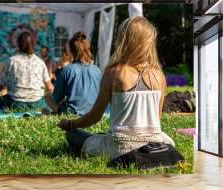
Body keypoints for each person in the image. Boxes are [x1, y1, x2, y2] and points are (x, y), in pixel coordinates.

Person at [57, 17, 181, 167]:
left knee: (73, 135)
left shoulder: (115, 73)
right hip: (155, 144)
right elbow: (157, 119)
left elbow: (95, 117)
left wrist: (70, 123)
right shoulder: (159, 75)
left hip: (121, 149)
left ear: (124, 40)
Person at [0, 31, 54, 110]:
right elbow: (50, 87)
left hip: (15, 103)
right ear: (33, 44)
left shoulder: (11, 61)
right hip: (37, 104)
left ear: (18, 45)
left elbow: (1, 84)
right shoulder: (40, 63)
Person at [44, 31, 100, 115]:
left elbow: (57, 98)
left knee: (47, 96)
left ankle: (51, 113)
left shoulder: (66, 70)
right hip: (92, 113)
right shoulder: (97, 70)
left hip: (72, 113)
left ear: (70, 51)